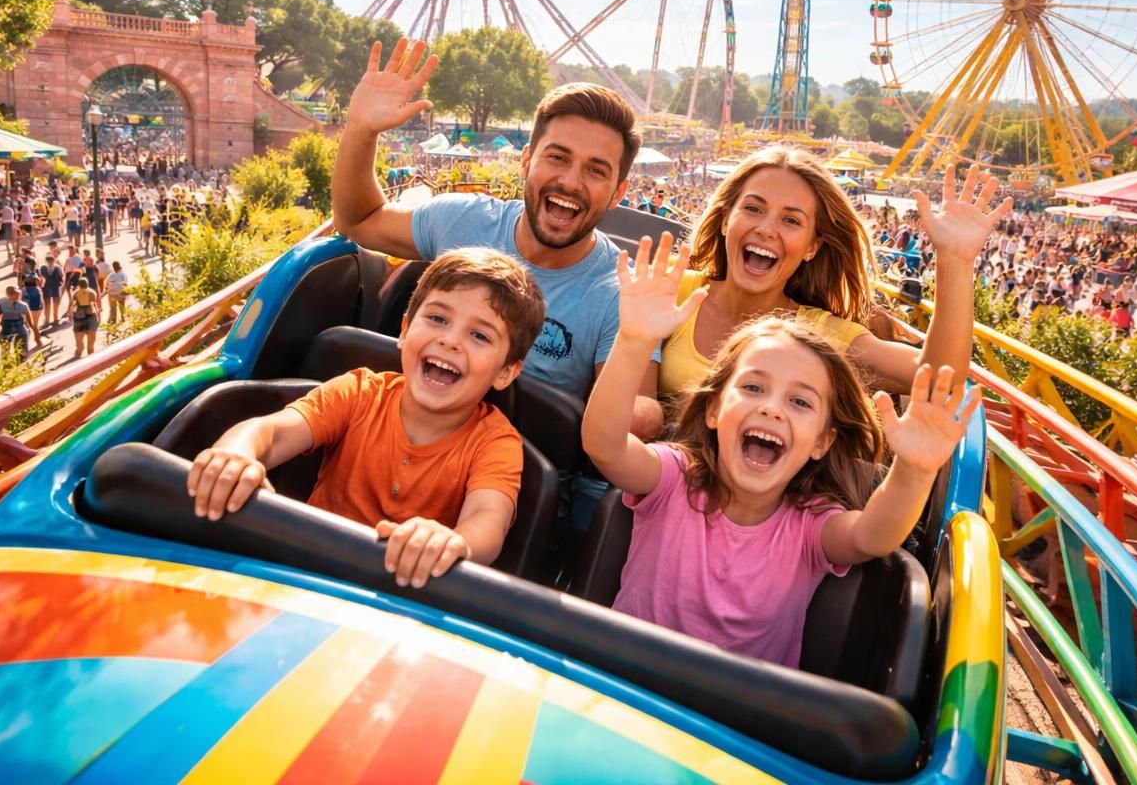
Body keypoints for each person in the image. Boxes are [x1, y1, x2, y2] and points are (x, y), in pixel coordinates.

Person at [580, 234, 980, 666]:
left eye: (800, 402)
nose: (771, 409)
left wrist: (915, 469)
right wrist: (634, 341)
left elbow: (874, 535)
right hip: (622, 691)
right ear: (713, 409)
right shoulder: (674, 476)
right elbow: (605, 446)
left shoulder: (809, 527)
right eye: (753, 388)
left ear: (822, 442)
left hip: (730, 724)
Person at [187, 248, 546, 588]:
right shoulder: (360, 392)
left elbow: (488, 519)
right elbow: (271, 431)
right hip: (303, 573)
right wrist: (237, 453)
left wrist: (454, 542)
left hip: (402, 600)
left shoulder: (496, 442)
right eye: (437, 318)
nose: (450, 340)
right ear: (405, 331)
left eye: (479, 335)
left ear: (506, 372)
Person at [332, 39, 650, 405]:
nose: (570, 182)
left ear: (617, 192)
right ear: (527, 161)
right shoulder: (465, 221)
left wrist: (636, 409)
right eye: (558, 157)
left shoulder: (619, 294)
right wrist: (361, 130)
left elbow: (638, 412)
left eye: (595, 170)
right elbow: (358, 219)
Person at [658, 150, 1006, 407]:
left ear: (812, 247)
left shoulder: (820, 334)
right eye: (752, 209)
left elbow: (937, 380)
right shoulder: (671, 288)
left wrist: (955, 262)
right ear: (724, 221)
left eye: (791, 221)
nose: (766, 229)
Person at [69, 274, 101, 359]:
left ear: (79, 285)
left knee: (79, 347)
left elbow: (72, 305)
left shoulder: (75, 293)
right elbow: (95, 305)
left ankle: (76, 366)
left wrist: (70, 316)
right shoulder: (92, 292)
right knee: (90, 347)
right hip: (90, 315)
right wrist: (99, 318)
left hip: (79, 317)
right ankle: (91, 364)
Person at [0, 285, 31, 358]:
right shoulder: (2, 304)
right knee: (5, 352)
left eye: (18, 295)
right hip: (6, 328)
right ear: (8, 295)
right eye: (14, 295)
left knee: (21, 352)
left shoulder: (23, 305)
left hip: (19, 327)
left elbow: (29, 318)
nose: (17, 297)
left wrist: (31, 327)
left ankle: (22, 364)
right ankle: (7, 365)